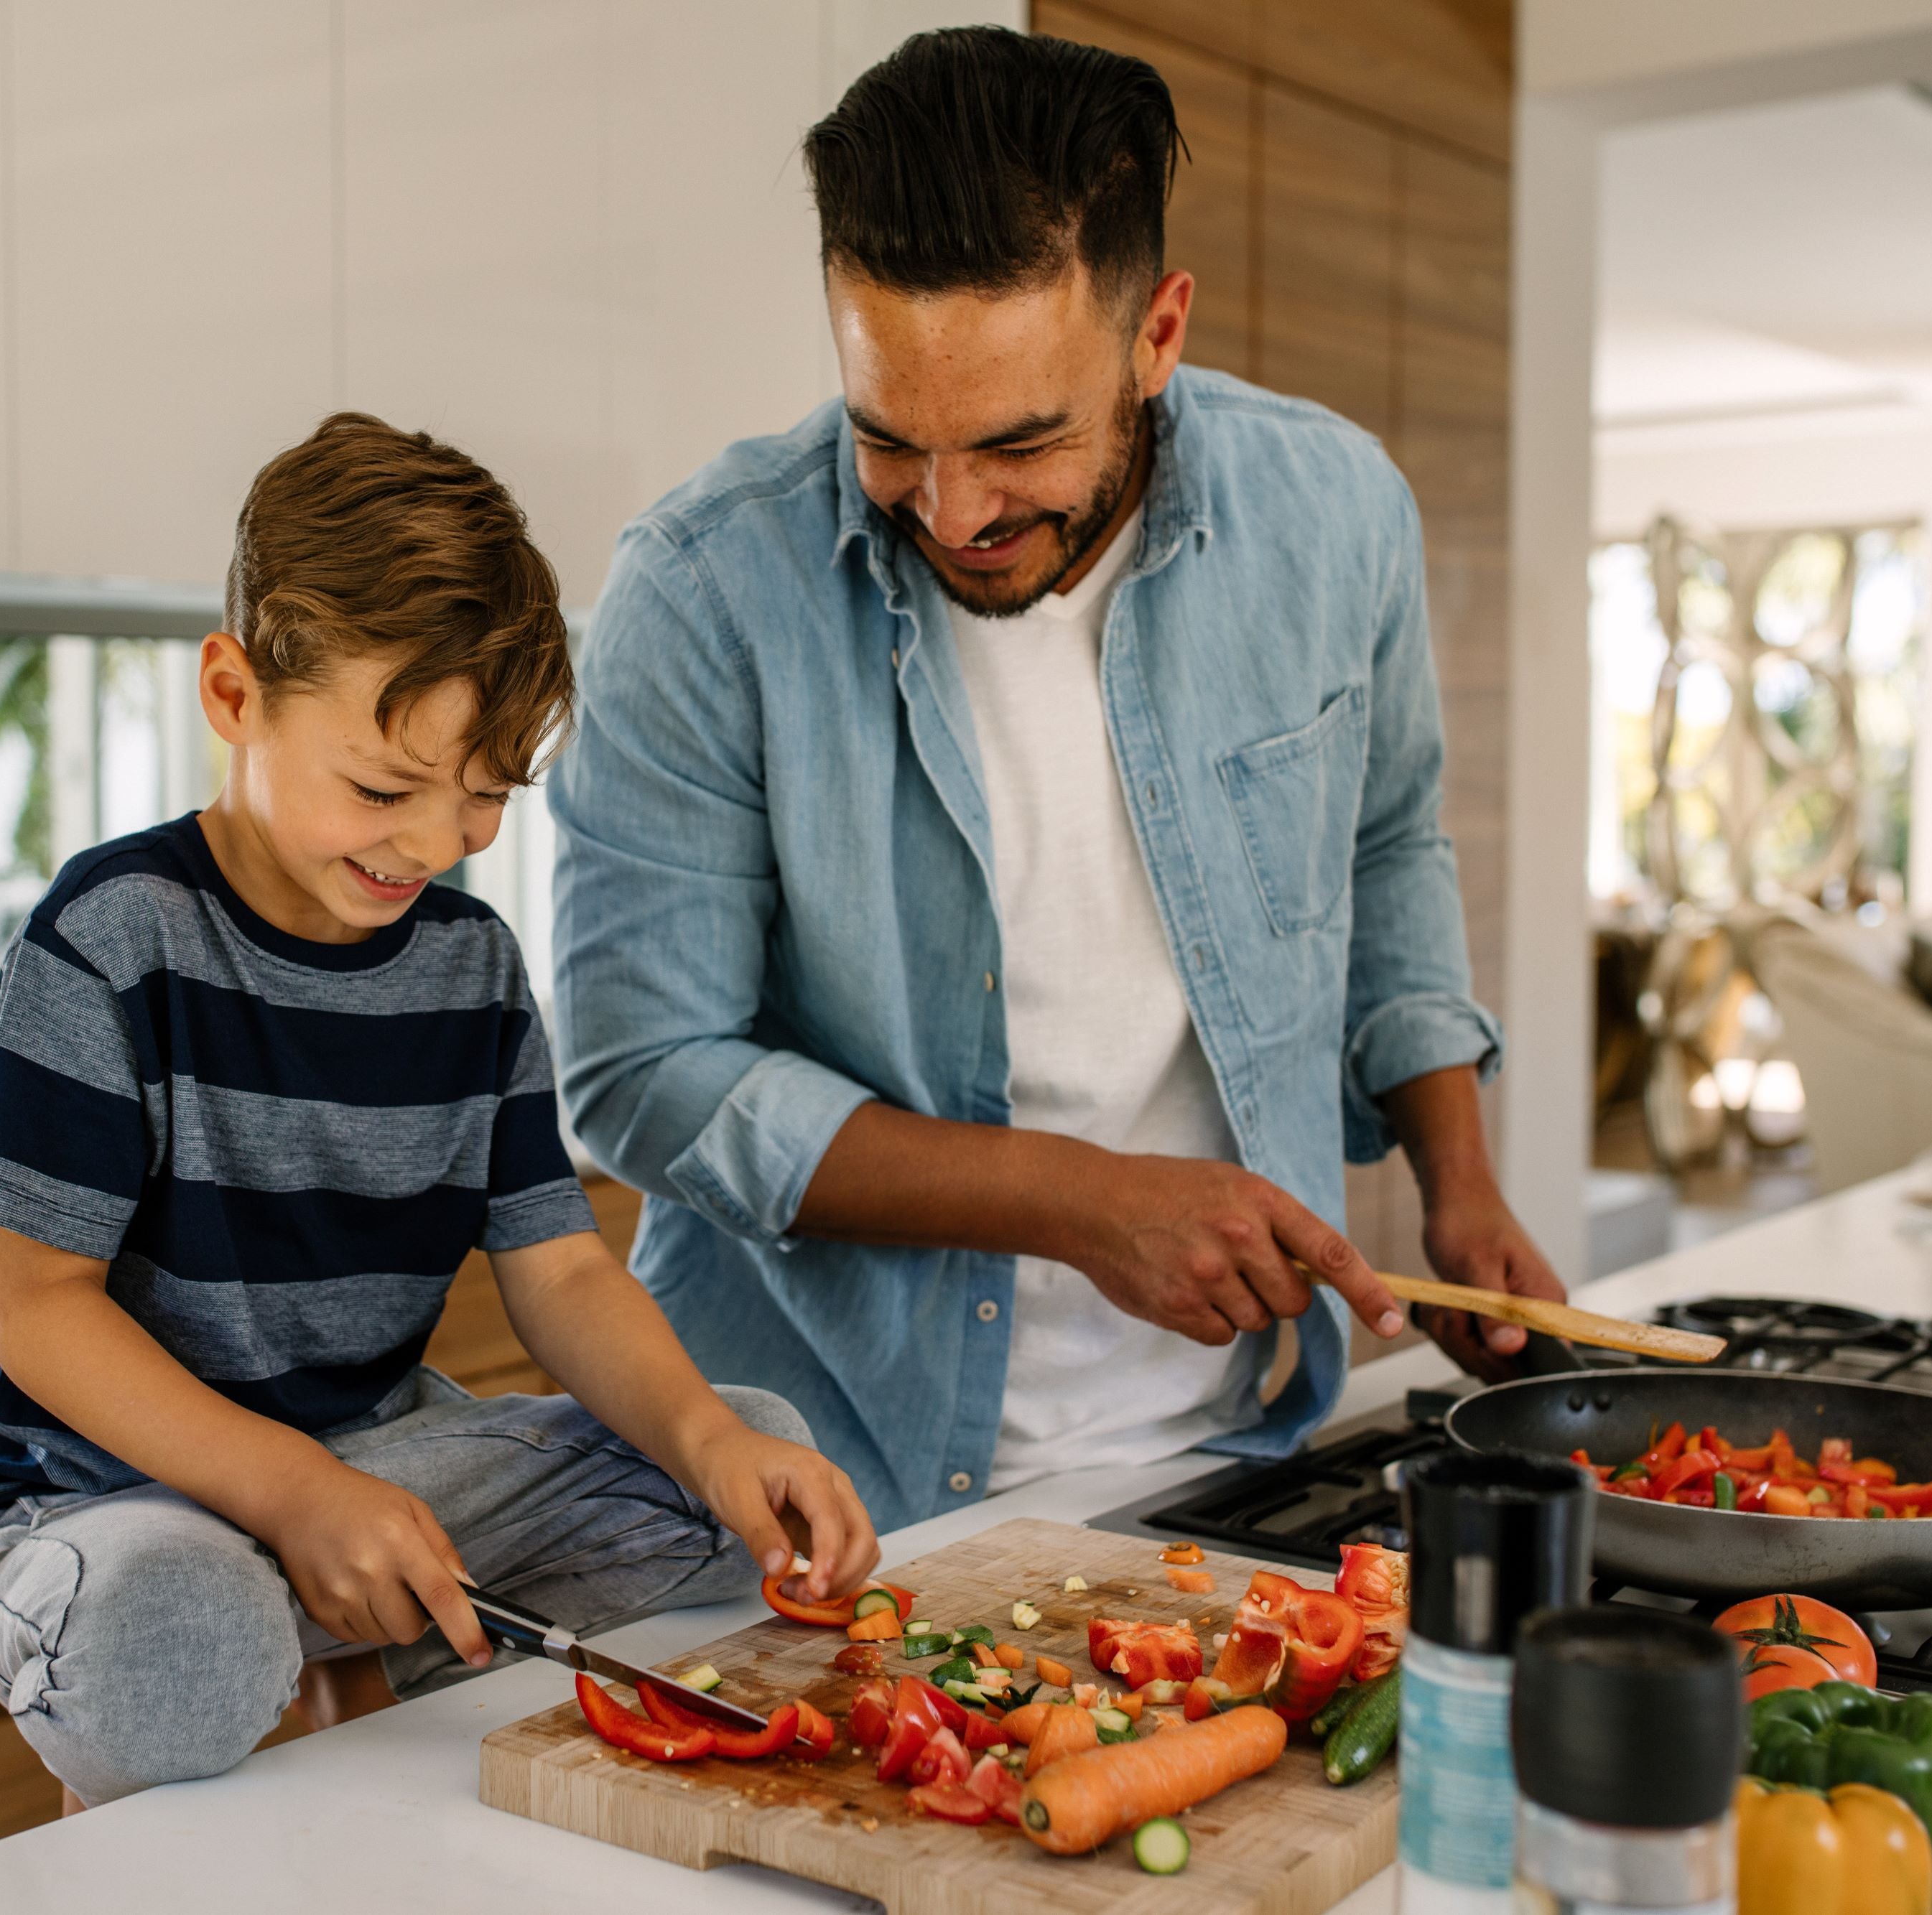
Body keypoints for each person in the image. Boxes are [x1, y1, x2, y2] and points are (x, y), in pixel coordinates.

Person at [549, 27, 1564, 1530]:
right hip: (813, 1479)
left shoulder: (1336, 510)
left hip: (1233, 1448)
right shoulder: (701, 590)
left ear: (1156, 334)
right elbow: (640, 1075)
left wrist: (1454, 1169)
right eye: (888, 437)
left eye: (1018, 441)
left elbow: (1383, 843)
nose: (951, 512)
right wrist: (1078, 1198)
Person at [0, 414, 875, 1809]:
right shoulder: (112, 933)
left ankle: (333, 1662)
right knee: (183, 1625)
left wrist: (711, 1439)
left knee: (729, 1468)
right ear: (234, 692)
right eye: (382, 786)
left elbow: (556, 1269)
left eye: (483, 794)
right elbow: (40, 1307)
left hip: (371, 1464)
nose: (431, 844)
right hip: (102, 1500)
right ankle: (284, 1660)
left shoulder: (469, 965)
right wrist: (292, 1497)